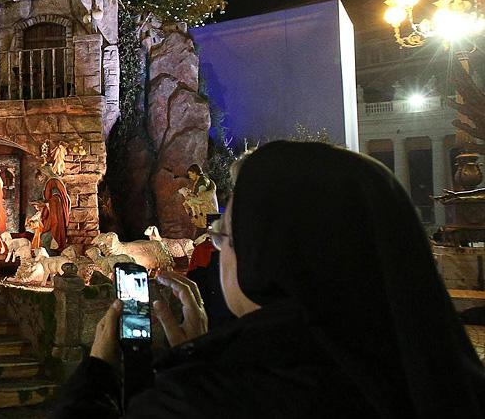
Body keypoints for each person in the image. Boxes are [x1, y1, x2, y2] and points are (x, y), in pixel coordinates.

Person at [51, 141, 485, 417]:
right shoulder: (439, 377)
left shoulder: (210, 402)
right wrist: (194, 357)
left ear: (269, 257)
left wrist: (98, 373)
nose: (218, 250)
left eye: (224, 236)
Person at [180, 164, 219, 230]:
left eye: (190, 174)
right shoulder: (198, 181)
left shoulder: (203, 181)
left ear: (194, 172)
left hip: (207, 209)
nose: (190, 176)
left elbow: (201, 197)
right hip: (203, 209)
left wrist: (190, 196)